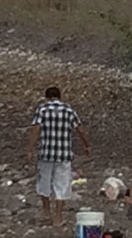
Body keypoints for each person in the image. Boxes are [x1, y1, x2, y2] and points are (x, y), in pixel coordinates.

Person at [25, 87, 91, 227]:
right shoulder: (69, 110)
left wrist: (30, 148)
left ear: (47, 97)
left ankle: (46, 212)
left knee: (44, 184)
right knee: (62, 185)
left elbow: (36, 131)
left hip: (46, 154)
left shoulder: (42, 109)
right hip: (63, 154)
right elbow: (80, 130)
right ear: (60, 96)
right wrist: (87, 145)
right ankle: (58, 218)